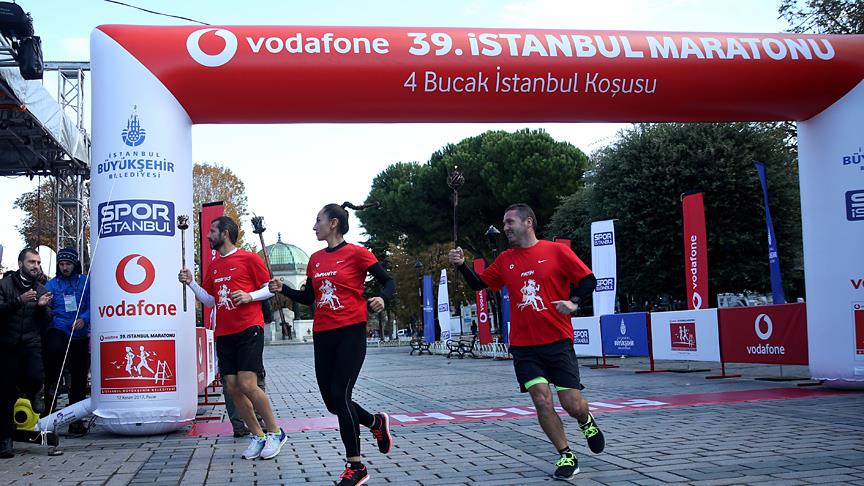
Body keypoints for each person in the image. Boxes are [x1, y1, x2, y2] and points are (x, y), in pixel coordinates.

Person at [448, 203, 605, 481]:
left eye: (510, 222)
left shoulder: (556, 251)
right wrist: (462, 266)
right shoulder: (506, 260)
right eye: (504, 223)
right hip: (524, 346)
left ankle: (586, 420)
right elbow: (479, 285)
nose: (506, 227)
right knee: (542, 401)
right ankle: (566, 454)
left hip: (558, 340)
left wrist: (573, 301)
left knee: (572, 404)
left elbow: (588, 280)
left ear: (528, 222)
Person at [269, 202, 395, 486]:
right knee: (332, 402)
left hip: (350, 331)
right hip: (323, 334)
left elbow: (388, 281)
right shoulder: (314, 258)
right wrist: (284, 289)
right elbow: (309, 298)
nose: (314, 226)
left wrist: (382, 298)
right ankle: (375, 423)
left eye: (318, 221)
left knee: (341, 394)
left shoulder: (357, 253)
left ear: (334, 223)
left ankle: (356, 466)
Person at [178, 215, 286, 460]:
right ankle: (257, 435)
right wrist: (191, 283)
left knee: (248, 384)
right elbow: (210, 301)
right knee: (233, 388)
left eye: (212, 231)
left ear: (225, 233)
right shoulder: (214, 266)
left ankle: (276, 432)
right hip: (224, 333)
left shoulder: (248, 258)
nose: (208, 236)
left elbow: (270, 288)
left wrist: (250, 296)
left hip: (249, 328)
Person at [0, 249, 53, 458]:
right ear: (21, 263)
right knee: (3, 395)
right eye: (32, 262)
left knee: (35, 376)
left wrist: (41, 308)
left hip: (31, 343)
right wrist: (19, 301)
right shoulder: (4, 286)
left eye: (38, 262)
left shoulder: (40, 289)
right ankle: (5, 440)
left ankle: (33, 393)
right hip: (6, 344)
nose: (36, 266)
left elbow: (47, 320)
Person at [43, 248, 90, 434]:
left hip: (79, 334)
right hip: (60, 330)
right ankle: (47, 414)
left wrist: (84, 319)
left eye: (68, 264)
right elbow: (47, 310)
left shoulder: (85, 282)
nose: (65, 268)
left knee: (78, 379)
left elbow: (93, 303)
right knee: (54, 370)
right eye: (62, 264)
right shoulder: (52, 284)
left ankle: (75, 421)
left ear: (74, 264)